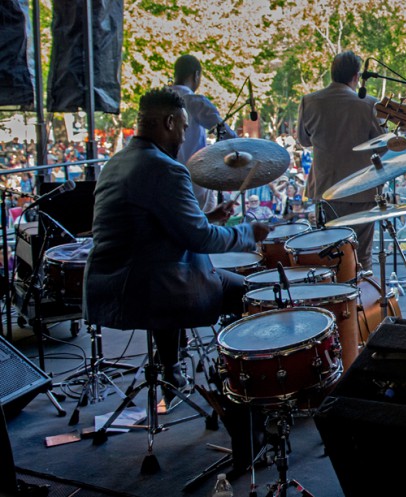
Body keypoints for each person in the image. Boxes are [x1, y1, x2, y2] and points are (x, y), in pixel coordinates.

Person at [83, 89, 271, 473]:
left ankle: (174, 368)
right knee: (251, 294)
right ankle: (243, 414)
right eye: (183, 127)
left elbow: (156, 227)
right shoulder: (166, 169)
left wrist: (214, 217)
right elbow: (198, 240)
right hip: (149, 287)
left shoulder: (117, 162)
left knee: (218, 278)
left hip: (109, 284)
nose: (185, 137)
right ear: (168, 122)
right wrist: (248, 232)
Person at [297, 51, 384, 271]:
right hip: (362, 191)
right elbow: (383, 145)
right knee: (361, 255)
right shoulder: (369, 105)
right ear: (356, 76)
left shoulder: (310, 101)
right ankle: (362, 303)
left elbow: (303, 140)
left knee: (331, 254)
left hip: (327, 189)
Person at [169, 55, 237, 214]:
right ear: (196, 75)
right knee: (201, 228)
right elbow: (228, 136)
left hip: (164, 181)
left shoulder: (160, 98)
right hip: (193, 182)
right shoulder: (194, 101)